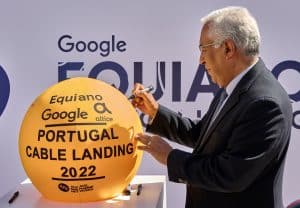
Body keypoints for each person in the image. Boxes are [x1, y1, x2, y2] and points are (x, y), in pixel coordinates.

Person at [131, 6, 293, 208]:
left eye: (203, 49)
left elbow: (230, 175)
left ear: (228, 48)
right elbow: (204, 135)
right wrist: (156, 112)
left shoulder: (264, 103)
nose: (200, 60)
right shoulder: (236, 85)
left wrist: (171, 158)